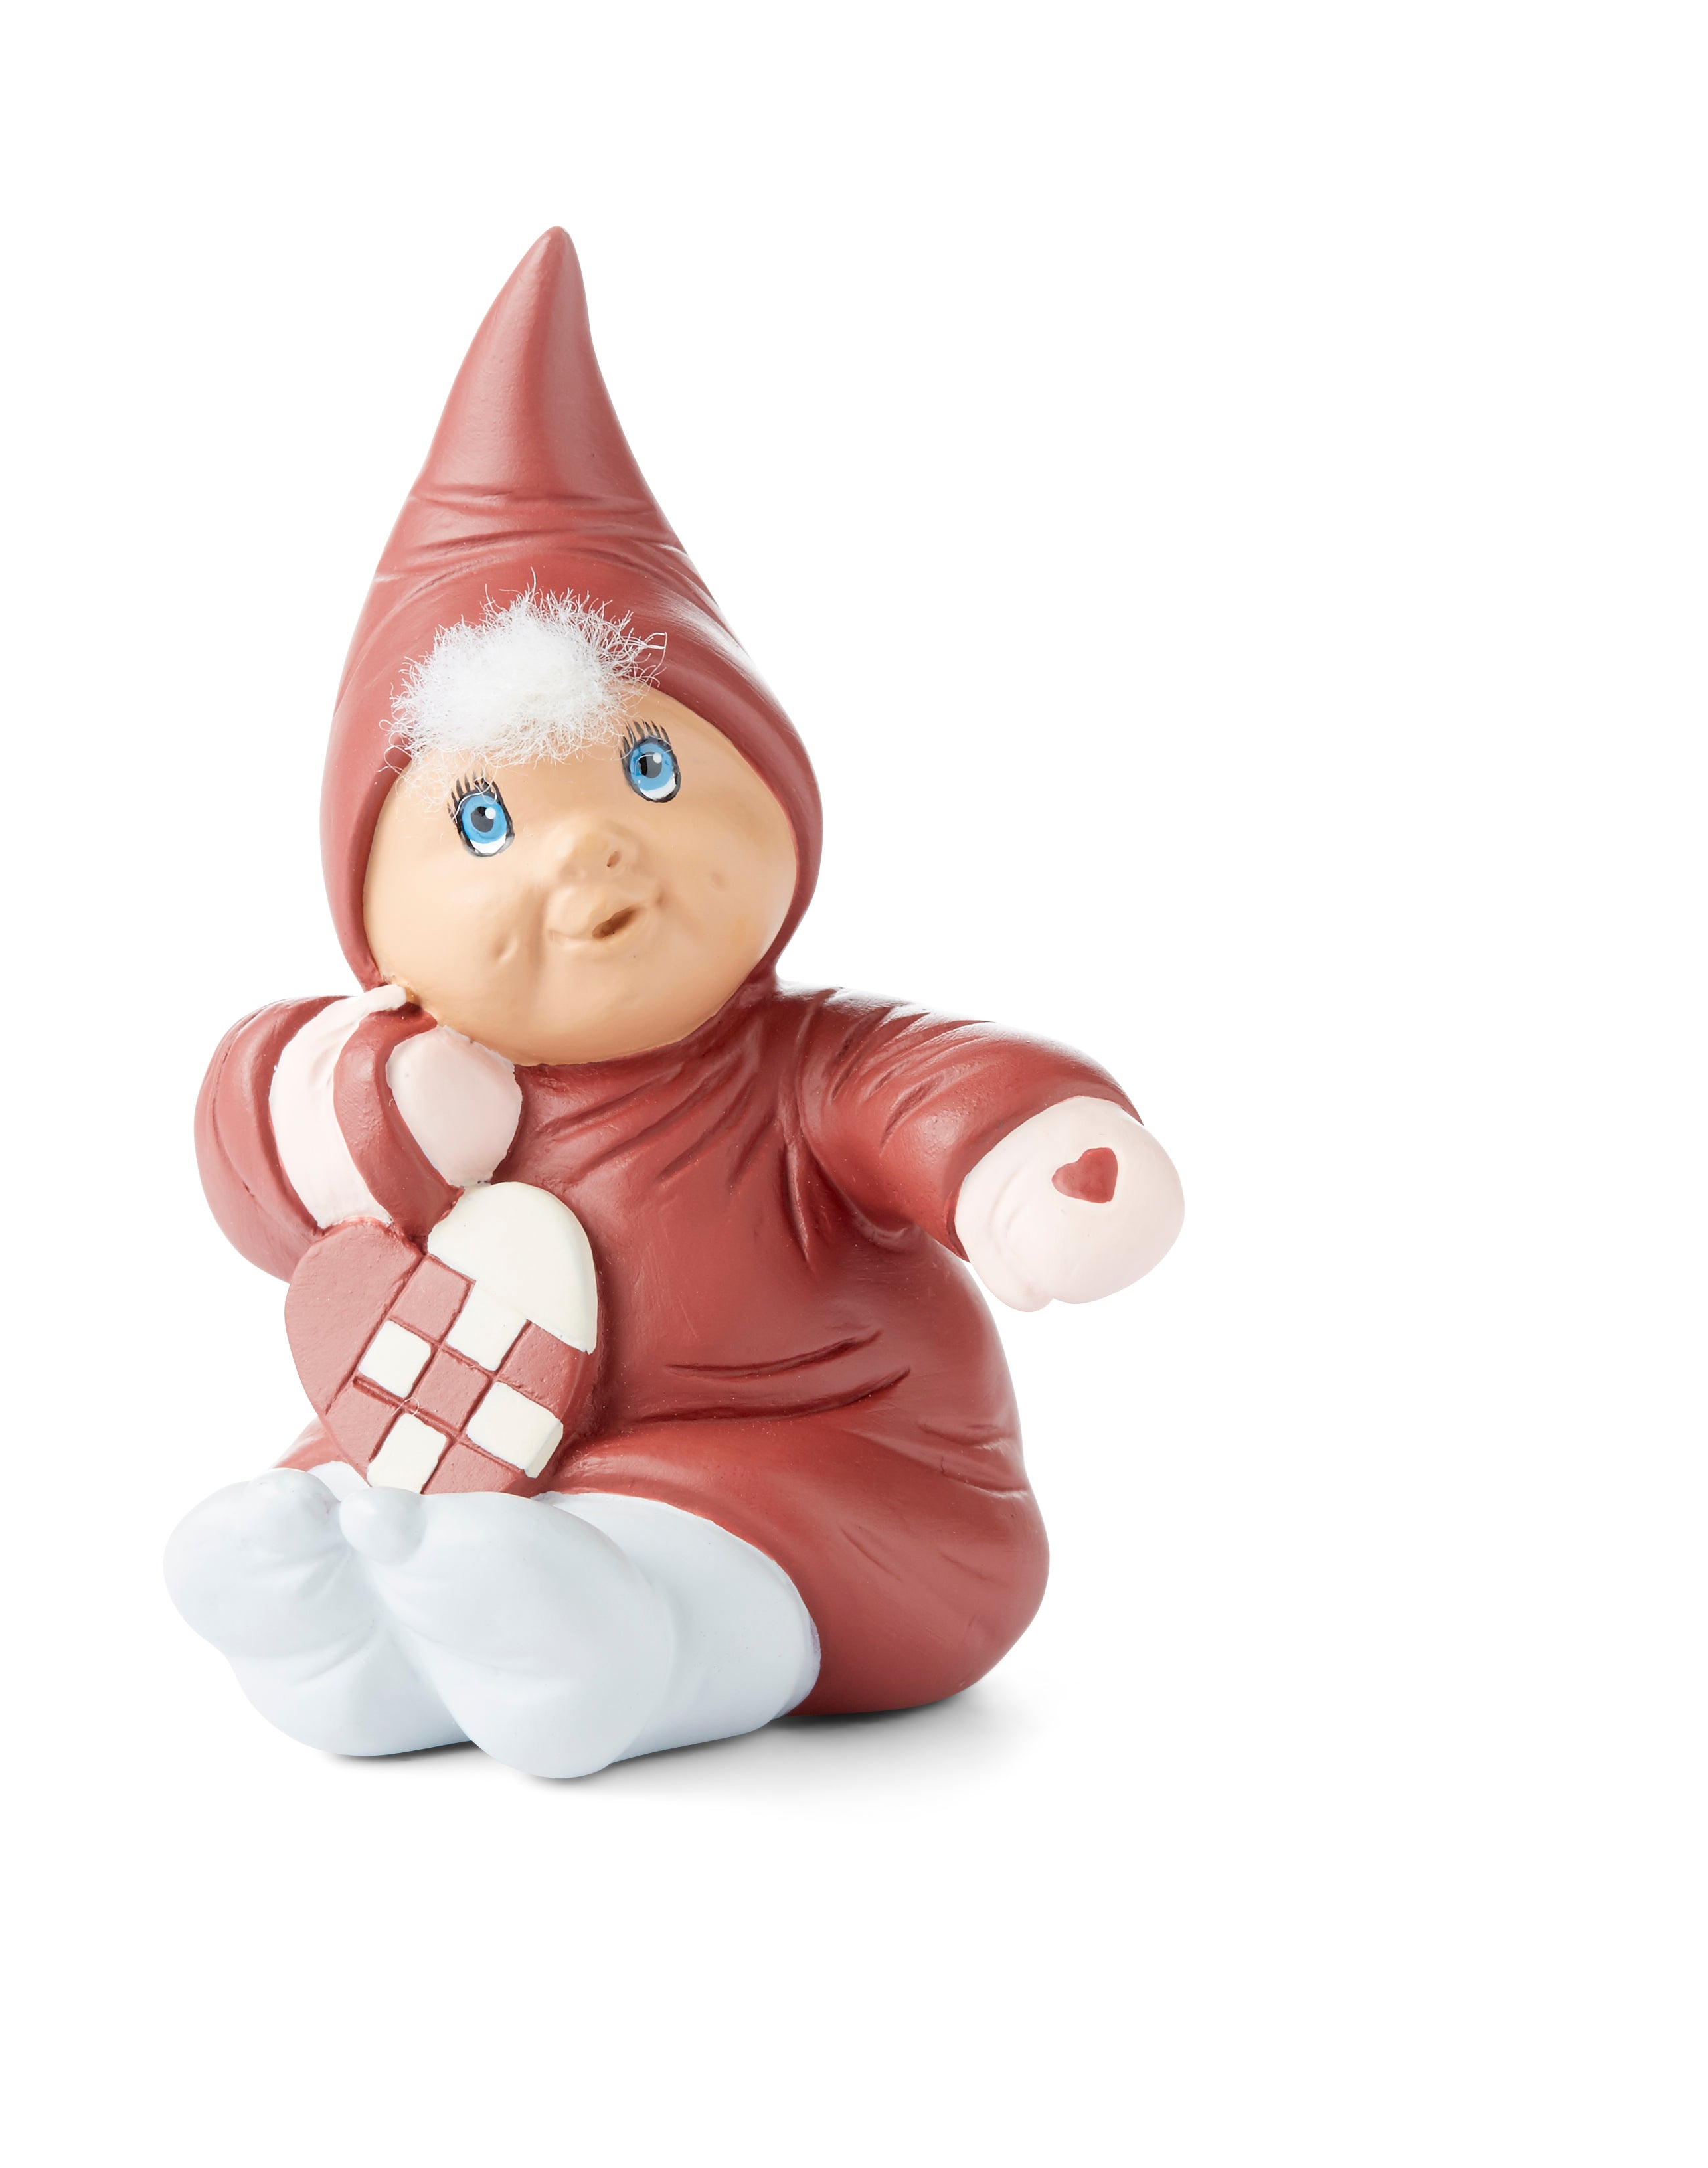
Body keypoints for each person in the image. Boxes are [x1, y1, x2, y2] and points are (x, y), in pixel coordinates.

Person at [165, 231, 1183, 1778]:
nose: (591, 848)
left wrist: (1027, 1162)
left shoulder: (800, 1067)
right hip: (488, 1453)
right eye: (487, 820)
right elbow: (254, 1145)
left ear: (773, 796)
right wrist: (343, 1097)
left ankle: (617, 1649)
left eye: (648, 767)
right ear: (371, 904)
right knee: (381, 1492)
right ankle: (339, 1627)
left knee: (688, 1555)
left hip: (833, 1470)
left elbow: (931, 1086)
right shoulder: (399, 1077)